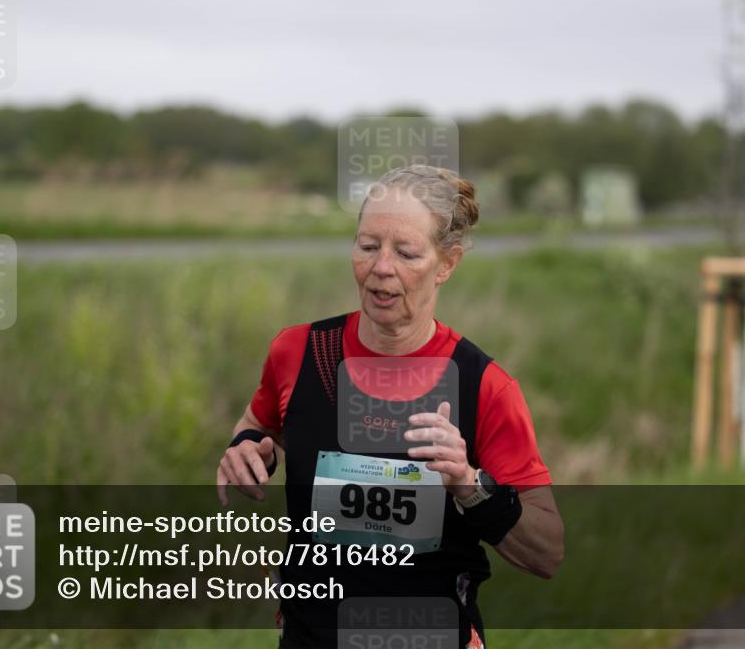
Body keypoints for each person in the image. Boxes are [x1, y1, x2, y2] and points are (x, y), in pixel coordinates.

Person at [217, 165, 564, 648]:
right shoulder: (297, 352)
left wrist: (468, 486)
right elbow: (260, 424)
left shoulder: (484, 386)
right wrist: (248, 446)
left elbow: (546, 552)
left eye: (406, 252)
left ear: (447, 264)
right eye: (367, 246)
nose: (382, 267)